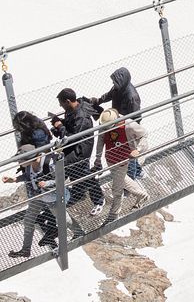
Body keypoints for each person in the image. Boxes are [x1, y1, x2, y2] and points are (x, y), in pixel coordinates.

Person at [3, 145, 68, 256]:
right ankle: (26, 250)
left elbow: (61, 179)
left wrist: (47, 183)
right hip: (38, 196)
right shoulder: (30, 165)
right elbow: (28, 176)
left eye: (21, 160)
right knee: (28, 220)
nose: (19, 162)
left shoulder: (49, 162)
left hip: (52, 197)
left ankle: (77, 234)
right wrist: (15, 179)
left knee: (64, 220)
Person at [50, 87, 105, 215]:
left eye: (62, 103)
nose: (60, 105)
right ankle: (79, 193)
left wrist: (60, 126)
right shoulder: (72, 110)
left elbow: (72, 137)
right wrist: (60, 124)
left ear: (68, 101)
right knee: (76, 171)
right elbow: (70, 127)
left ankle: (99, 200)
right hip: (75, 147)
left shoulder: (82, 117)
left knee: (82, 172)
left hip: (81, 149)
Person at [94, 108, 148, 221]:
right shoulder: (104, 124)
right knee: (122, 179)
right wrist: (98, 159)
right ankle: (143, 195)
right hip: (110, 158)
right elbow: (100, 141)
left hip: (123, 158)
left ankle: (114, 214)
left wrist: (138, 150)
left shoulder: (128, 125)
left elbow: (144, 134)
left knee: (116, 189)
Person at [96, 67, 145, 179]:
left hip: (126, 127)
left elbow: (136, 117)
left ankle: (131, 179)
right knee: (126, 151)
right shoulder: (118, 88)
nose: (113, 83)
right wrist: (98, 101)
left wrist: (129, 130)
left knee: (129, 152)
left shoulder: (132, 97)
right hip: (117, 122)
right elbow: (109, 95)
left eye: (115, 81)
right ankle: (138, 172)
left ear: (121, 81)